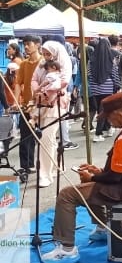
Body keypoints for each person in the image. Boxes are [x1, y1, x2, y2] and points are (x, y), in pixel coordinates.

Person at [40, 92, 122, 263]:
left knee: (67, 195)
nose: (108, 122)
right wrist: (98, 171)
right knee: (89, 185)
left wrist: (93, 176)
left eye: (109, 118)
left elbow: (115, 177)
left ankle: (67, 249)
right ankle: (103, 227)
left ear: (119, 115)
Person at [31, 41, 72, 188]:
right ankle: (56, 166)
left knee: (46, 139)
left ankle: (45, 175)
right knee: (48, 139)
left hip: (55, 105)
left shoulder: (63, 63)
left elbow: (63, 82)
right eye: (44, 53)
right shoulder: (42, 63)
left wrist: (45, 92)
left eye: (48, 53)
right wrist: (37, 90)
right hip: (40, 103)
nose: (46, 56)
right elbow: (34, 79)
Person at [12, 35, 43, 176]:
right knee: (25, 136)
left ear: (37, 45)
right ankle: (26, 166)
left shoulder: (43, 63)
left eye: (28, 44)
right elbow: (19, 83)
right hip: (26, 105)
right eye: (24, 44)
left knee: (41, 136)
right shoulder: (24, 64)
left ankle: (43, 167)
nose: (25, 47)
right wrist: (16, 101)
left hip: (41, 106)